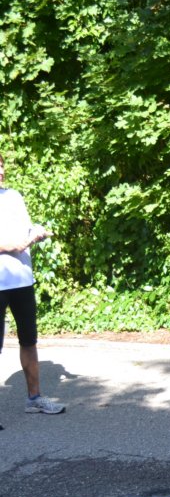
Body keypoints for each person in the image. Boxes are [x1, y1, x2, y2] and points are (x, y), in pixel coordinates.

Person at [0, 152, 66, 419]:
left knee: (29, 340)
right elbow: (11, 242)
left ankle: (34, 399)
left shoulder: (14, 196)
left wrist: (37, 232)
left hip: (22, 280)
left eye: (1, 166)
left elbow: (25, 230)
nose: (0, 172)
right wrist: (8, 246)